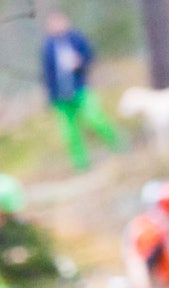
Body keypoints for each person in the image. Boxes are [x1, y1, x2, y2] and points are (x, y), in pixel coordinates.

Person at [40, 11, 122, 171]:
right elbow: (46, 73)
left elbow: (91, 56)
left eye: (58, 22)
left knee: (95, 118)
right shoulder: (48, 46)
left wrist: (80, 62)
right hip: (61, 96)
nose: (55, 26)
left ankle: (117, 143)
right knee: (70, 132)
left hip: (80, 88)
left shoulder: (76, 38)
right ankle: (80, 163)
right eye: (51, 24)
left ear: (65, 21)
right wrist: (50, 98)